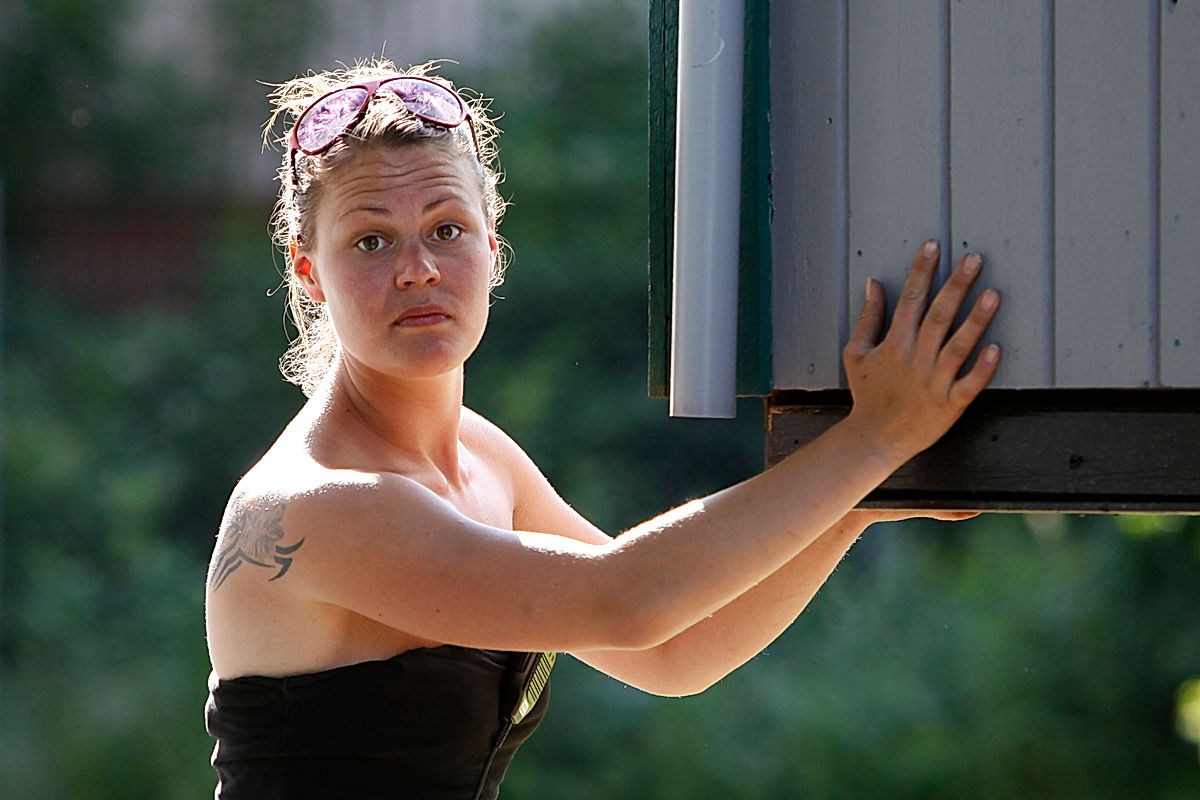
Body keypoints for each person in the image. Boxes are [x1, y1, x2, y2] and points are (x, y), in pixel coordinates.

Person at [204, 59, 1001, 799]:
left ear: (493, 240)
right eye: (371, 240)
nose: (418, 268)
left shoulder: (482, 457)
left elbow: (668, 654)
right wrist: (871, 441)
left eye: (446, 229)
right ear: (308, 273)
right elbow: (628, 601)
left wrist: (852, 501)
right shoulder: (321, 504)